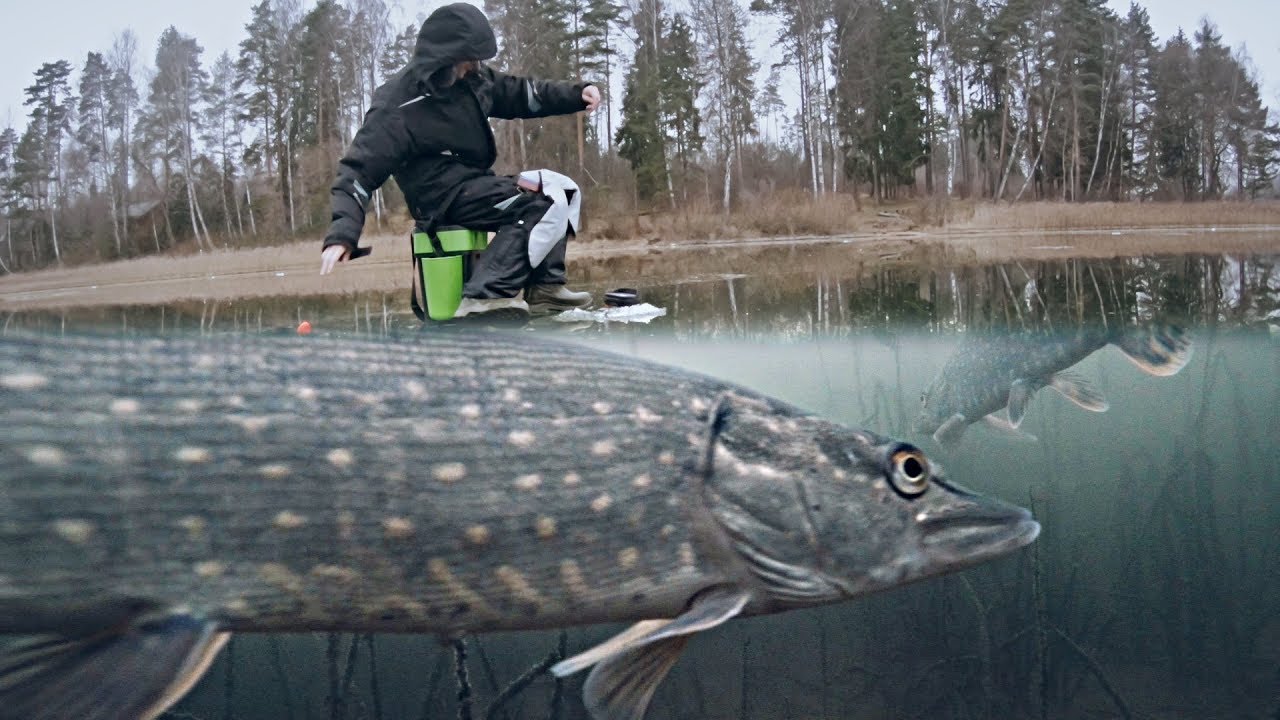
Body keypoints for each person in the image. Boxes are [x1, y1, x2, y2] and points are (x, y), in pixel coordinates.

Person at [319, 2, 601, 318]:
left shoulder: (473, 80)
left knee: (564, 190)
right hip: (439, 198)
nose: (474, 67)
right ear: (446, 59)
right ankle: (484, 296)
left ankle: (545, 288)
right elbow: (357, 172)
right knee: (542, 203)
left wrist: (575, 95)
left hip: (473, 184)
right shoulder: (397, 104)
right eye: (469, 60)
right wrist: (342, 235)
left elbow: (520, 93)